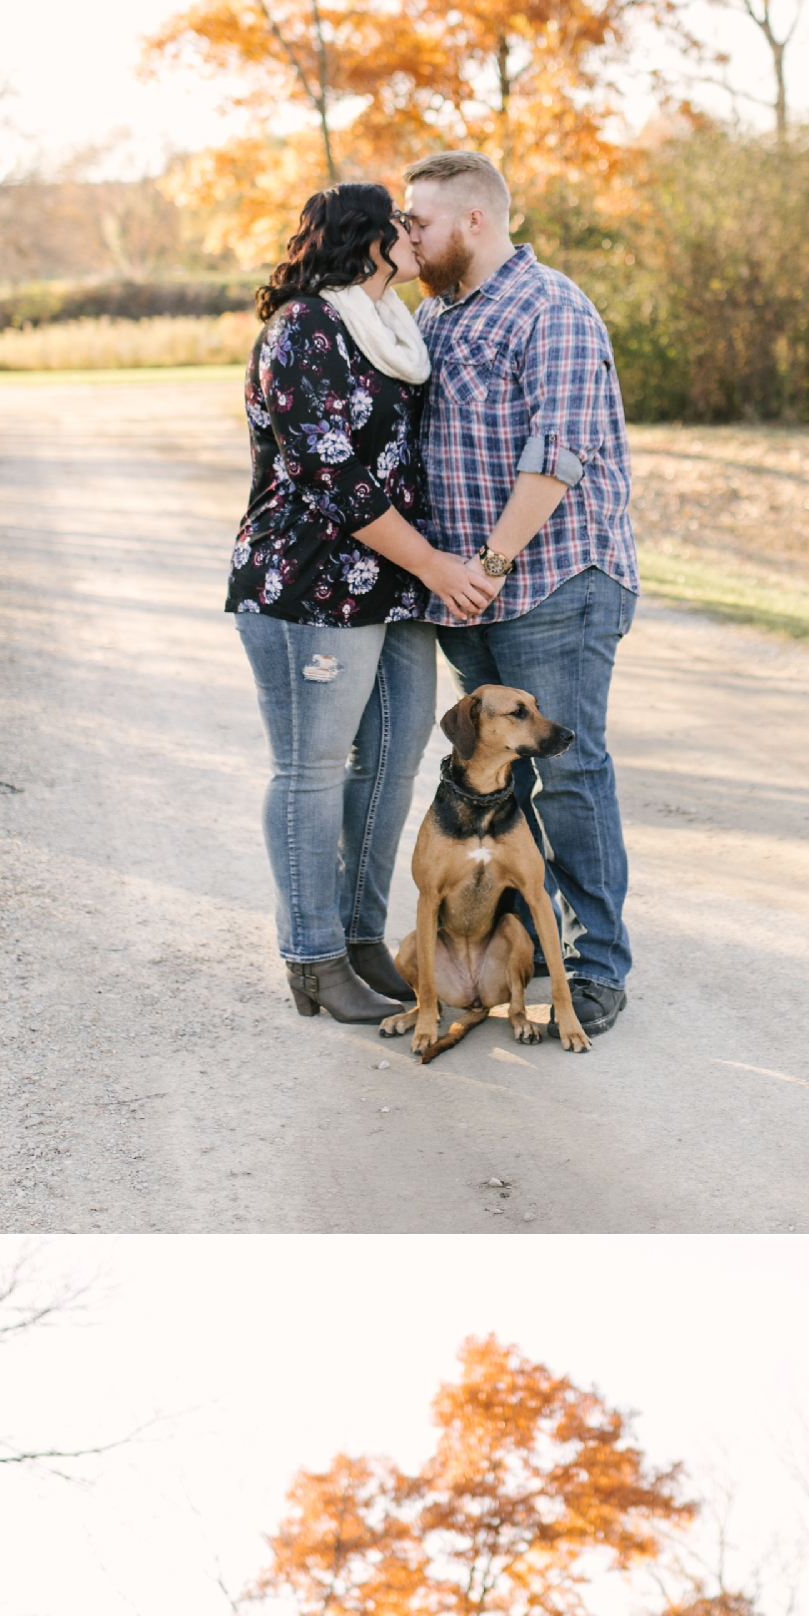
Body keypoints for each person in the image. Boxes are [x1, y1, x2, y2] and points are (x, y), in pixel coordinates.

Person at [228, 183, 497, 1025]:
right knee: (310, 770)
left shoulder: (395, 330)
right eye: (402, 224)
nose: (416, 233)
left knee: (390, 762)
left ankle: (356, 937)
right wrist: (439, 566)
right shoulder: (303, 330)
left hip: (390, 587)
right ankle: (311, 959)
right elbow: (334, 478)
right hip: (306, 585)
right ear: (368, 240)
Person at [402, 149, 641, 1048]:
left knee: (571, 773)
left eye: (418, 221)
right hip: (473, 595)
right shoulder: (436, 316)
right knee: (498, 778)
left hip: (552, 584)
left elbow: (557, 457)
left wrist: (491, 565)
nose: (408, 236)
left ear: (473, 220)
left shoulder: (552, 309)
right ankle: (526, 944)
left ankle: (596, 967)